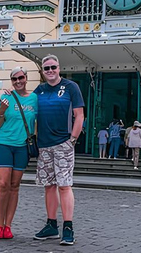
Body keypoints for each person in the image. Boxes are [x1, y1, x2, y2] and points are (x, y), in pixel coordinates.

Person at [33, 54, 84, 246]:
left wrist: (73, 139)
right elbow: (26, 108)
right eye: (46, 68)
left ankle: (68, 227)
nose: (50, 71)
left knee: (64, 185)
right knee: (49, 185)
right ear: (43, 71)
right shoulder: (39, 90)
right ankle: (51, 224)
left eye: (53, 67)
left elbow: (79, 115)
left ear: (59, 68)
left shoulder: (71, 87)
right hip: (44, 145)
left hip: (64, 143)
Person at [0, 67, 38, 240]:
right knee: (2, 184)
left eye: (20, 78)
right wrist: (2, 111)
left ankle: (8, 226)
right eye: (14, 79)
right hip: (4, 143)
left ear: (26, 78)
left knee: (14, 185)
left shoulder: (34, 99)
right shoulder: (5, 97)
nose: (18, 81)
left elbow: (37, 122)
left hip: (22, 147)